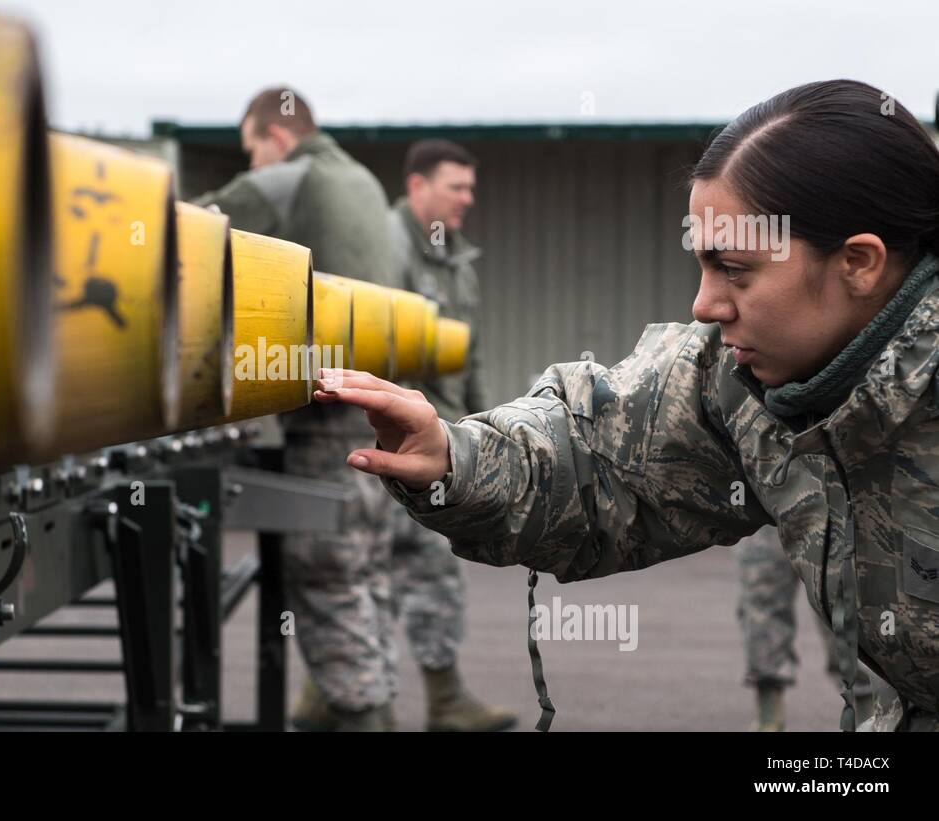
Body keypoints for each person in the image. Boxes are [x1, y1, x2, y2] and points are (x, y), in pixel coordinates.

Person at [314, 79, 939, 731]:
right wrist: (452, 456)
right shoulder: (746, 385)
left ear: (860, 263)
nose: (704, 304)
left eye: (736, 269)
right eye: (702, 265)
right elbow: (602, 454)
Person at [194, 87, 400, 730]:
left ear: (276, 139)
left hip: (325, 417)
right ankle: (362, 701)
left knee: (323, 569)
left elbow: (182, 229)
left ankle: (364, 716)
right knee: (364, 567)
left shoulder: (287, 178)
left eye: (250, 149)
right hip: (377, 404)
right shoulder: (365, 183)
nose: (251, 163)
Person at [387, 139, 515, 731]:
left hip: (443, 438)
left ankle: (434, 698)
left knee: (409, 569)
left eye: (471, 187)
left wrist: (482, 427)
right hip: (391, 440)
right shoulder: (384, 249)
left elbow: (473, 352)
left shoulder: (455, 260)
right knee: (379, 571)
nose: (468, 198)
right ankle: (372, 702)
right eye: (455, 187)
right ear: (418, 186)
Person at [736, 526, 872, 730]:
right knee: (762, 600)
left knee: (841, 601)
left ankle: (868, 714)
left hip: (826, 506)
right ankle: (769, 716)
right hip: (764, 511)